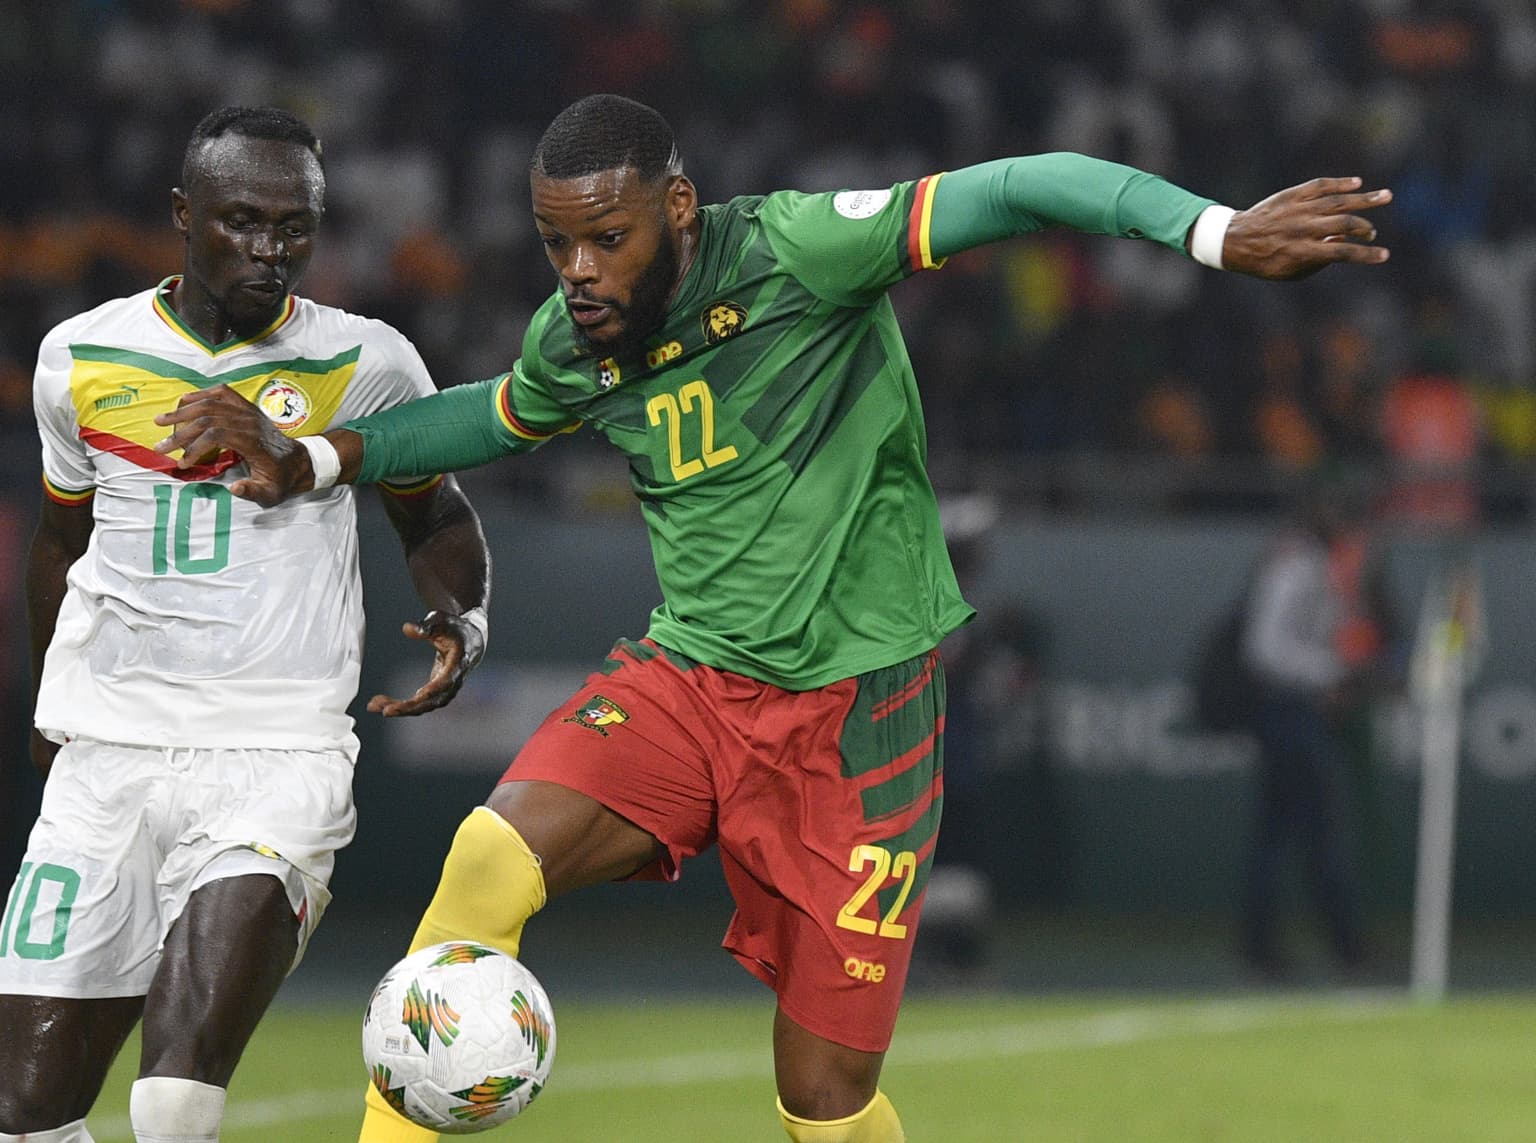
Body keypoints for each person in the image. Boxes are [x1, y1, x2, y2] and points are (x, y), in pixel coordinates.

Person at [155, 95, 1391, 1143]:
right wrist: (313, 456)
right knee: (486, 861)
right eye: (556, 243)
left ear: (678, 211)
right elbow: (489, 415)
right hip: (692, 683)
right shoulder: (576, 340)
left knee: (822, 1097)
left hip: (862, 724)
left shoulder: (800, 252)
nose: (579, 271)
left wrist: (1214, 232)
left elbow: (1022, 185)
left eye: (607, 239)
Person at [0, 106, 492, 1143]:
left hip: (276, 753)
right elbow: (59, 540)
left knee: (172, 1100)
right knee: (20, 1120)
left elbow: (435, 513)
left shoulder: (367, 361)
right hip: (109, 753)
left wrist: (461, 615)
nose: (271, 249)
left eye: (295, 226)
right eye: (243, 221)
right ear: (183, 213)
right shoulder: (80, 357)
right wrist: (47, 704)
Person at [1237, 480, 1391, 981]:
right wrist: (1329, 673)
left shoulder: (1325, 564)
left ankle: (1264, 945)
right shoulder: (1295, 564)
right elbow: (1264, 647)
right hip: (1288, 711)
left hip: (1302, 711)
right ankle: (1343, 946)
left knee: (1280, 834)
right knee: (1316, 832)